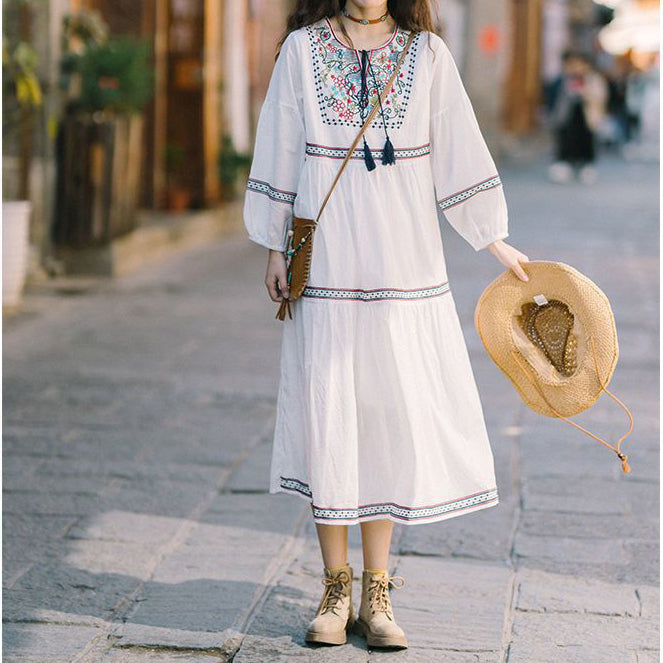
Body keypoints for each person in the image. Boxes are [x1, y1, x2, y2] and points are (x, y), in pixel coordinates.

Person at [243, 0, 529, 650]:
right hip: (332, 258)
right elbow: (282, 144)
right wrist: (272, 245)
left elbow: (458, 152)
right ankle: (334, 585)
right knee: (330, 411)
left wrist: (496, 242)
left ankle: (377, 590)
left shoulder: (426, 54)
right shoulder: (301, 50)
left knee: (383, 413)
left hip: (403, 264)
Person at [546, 49, 609, 185]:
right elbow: (554, 98)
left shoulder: (593, 79)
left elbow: (600, 97)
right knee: (566, 141)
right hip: (567, 118)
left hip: (586, 118)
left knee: (586, 141)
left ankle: (586, 166)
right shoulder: (562, 80)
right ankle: (564, 165)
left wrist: (585, 93)